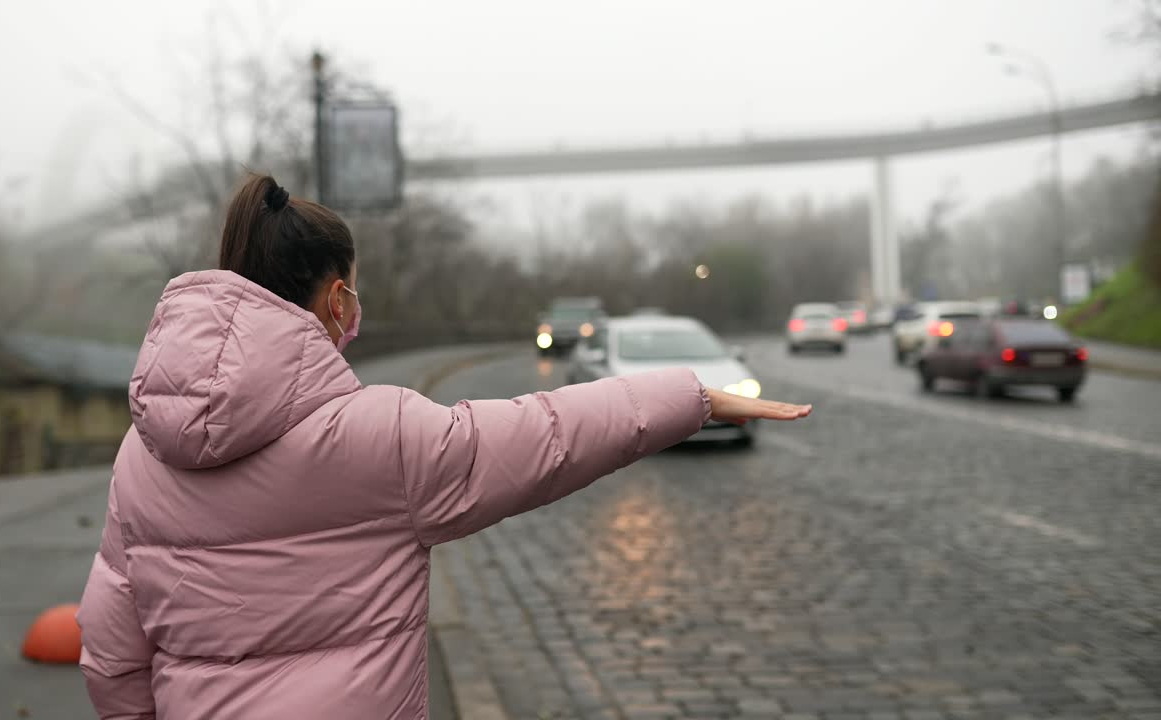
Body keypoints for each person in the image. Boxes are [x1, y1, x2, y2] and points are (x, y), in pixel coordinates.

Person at [76, 173, 812, 720]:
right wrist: (693, 396)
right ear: (337, 300)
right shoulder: (383, 438)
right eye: (354, 292)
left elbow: (111, 650)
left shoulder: (141, 454)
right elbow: (547, 433)